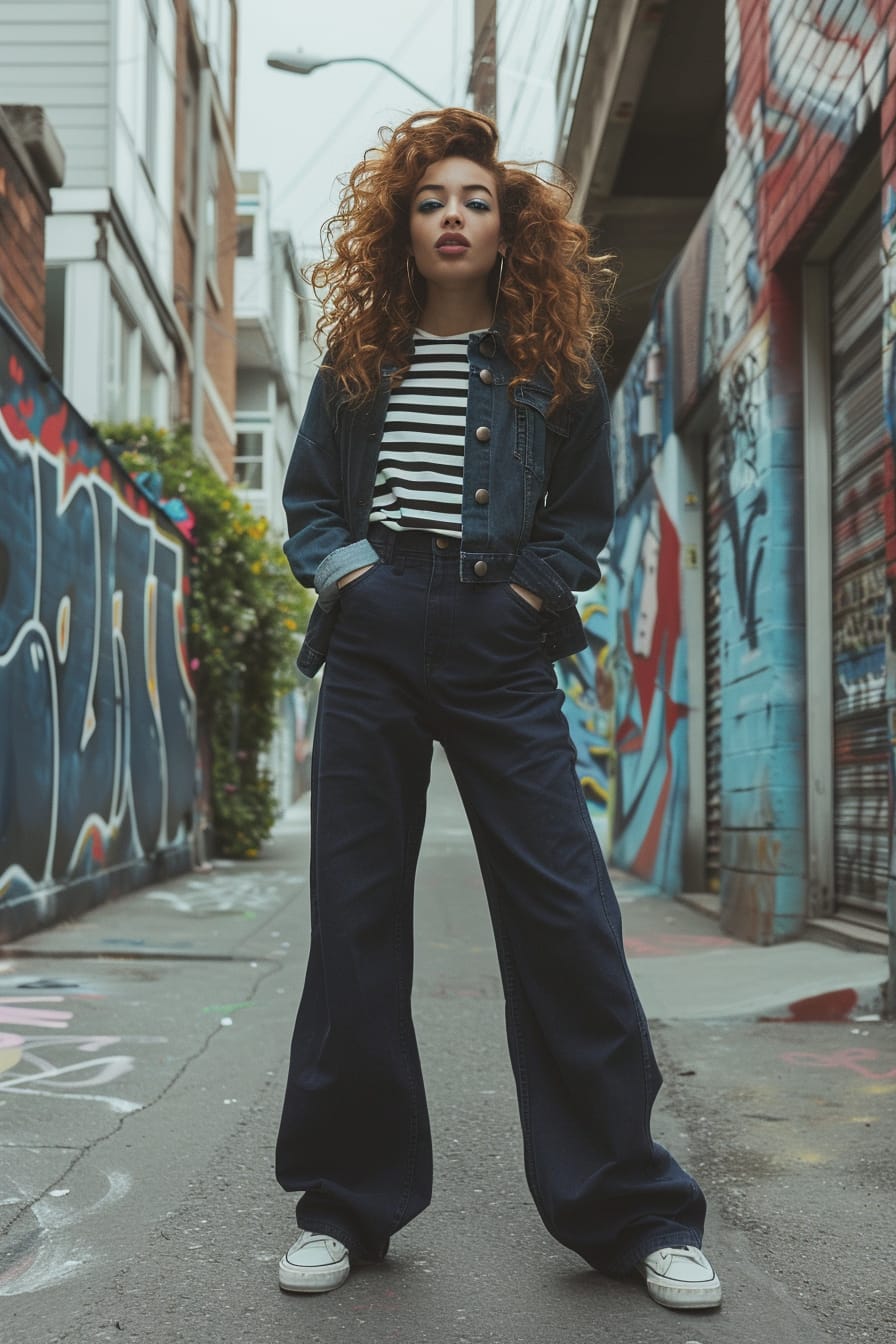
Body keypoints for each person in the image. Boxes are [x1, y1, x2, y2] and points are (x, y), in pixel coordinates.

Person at [275, 107, 721, 1313]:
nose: (451, 216)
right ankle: (344, 1207)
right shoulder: (356, 362)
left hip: (499, 641)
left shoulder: (549, 368)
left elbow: (582, 514)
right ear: (400, 232)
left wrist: (528, 594)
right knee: (356, 926)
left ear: (506, 226)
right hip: (372, 642)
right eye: (428, 202)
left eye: (473, 199)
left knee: (568, 920)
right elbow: (310, 504)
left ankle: (631, 1214)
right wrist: (353, 581)